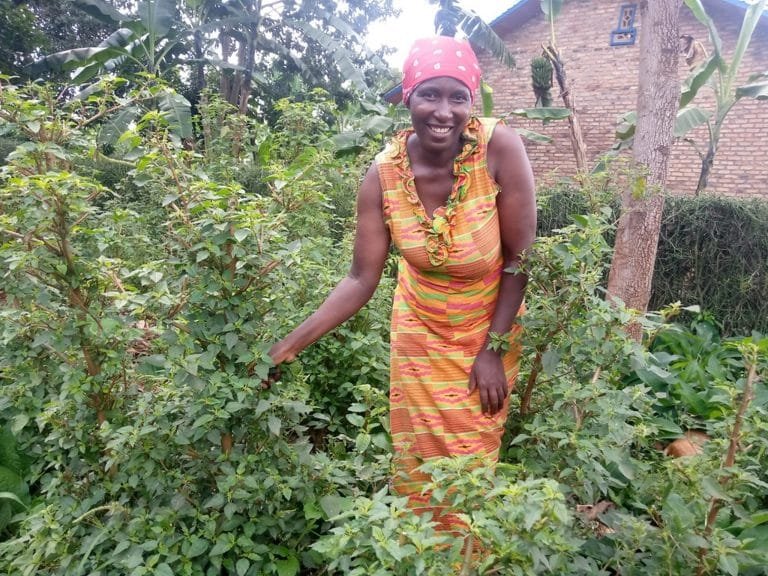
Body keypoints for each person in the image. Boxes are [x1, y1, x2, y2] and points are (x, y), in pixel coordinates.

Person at [269, 36, 536, 530]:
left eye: (458, 97)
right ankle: (420, 551)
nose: (443, 111)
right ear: (407, 97)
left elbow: (519, 259)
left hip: (487, 324)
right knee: (419, 461)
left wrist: (493, 349)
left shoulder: (499, 148)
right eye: (429, 94)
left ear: (471, 103)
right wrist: (286, 348)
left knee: (469, 458)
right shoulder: (384, 175)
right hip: (420, 329)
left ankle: (464, 554)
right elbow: (360, 278)